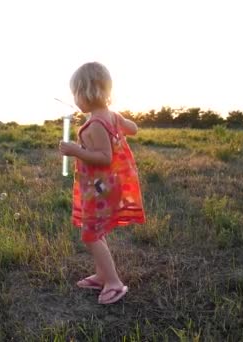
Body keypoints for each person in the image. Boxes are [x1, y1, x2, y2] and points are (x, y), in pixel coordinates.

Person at [59, 61, 146, 305]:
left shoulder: (95, 124)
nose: (75, 99)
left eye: (75, 93)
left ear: (85, 93)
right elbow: (134, 129)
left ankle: (114, 282)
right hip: (110, 187)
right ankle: (101, 275)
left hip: (100, 189)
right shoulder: (112, 117)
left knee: (90, 235)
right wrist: (120, 121)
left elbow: (105, 158)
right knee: (97, 231)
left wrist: (76, 150)